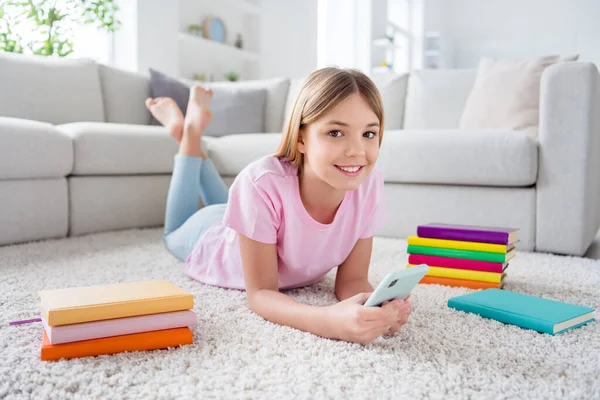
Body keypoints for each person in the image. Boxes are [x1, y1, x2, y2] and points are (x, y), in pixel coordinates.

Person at [145, 67, 412, 344]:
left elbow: (352, 280)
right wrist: (328, 321)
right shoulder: (260, 183)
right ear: (300, 138)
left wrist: (376, 308)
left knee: (234, 203)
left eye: (369, 134)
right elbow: (260, 293)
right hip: (211, 237)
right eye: (335, 132)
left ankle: (191, 133)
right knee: (171, 233)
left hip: (249, 217)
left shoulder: (367, 186)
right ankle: (187, 132)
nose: (356, 151)